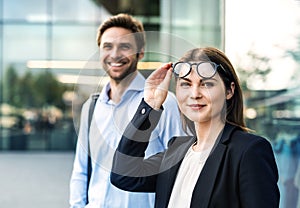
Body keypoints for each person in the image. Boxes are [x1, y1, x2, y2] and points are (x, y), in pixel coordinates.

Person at [111, 47, 280, 208]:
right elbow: (124, 175)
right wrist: (150, 105)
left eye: (206, 84)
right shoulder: (176, 150)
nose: (194, 94)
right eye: (185, 84)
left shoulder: (248, 151)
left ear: (229, 90)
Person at [69, 13, 185, 208]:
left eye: (124, 46)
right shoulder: (92, 107)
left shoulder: (164, 103)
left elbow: (178, 168)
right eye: (108, 46)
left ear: (140, 52)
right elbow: (81, 169)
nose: (115, 54)